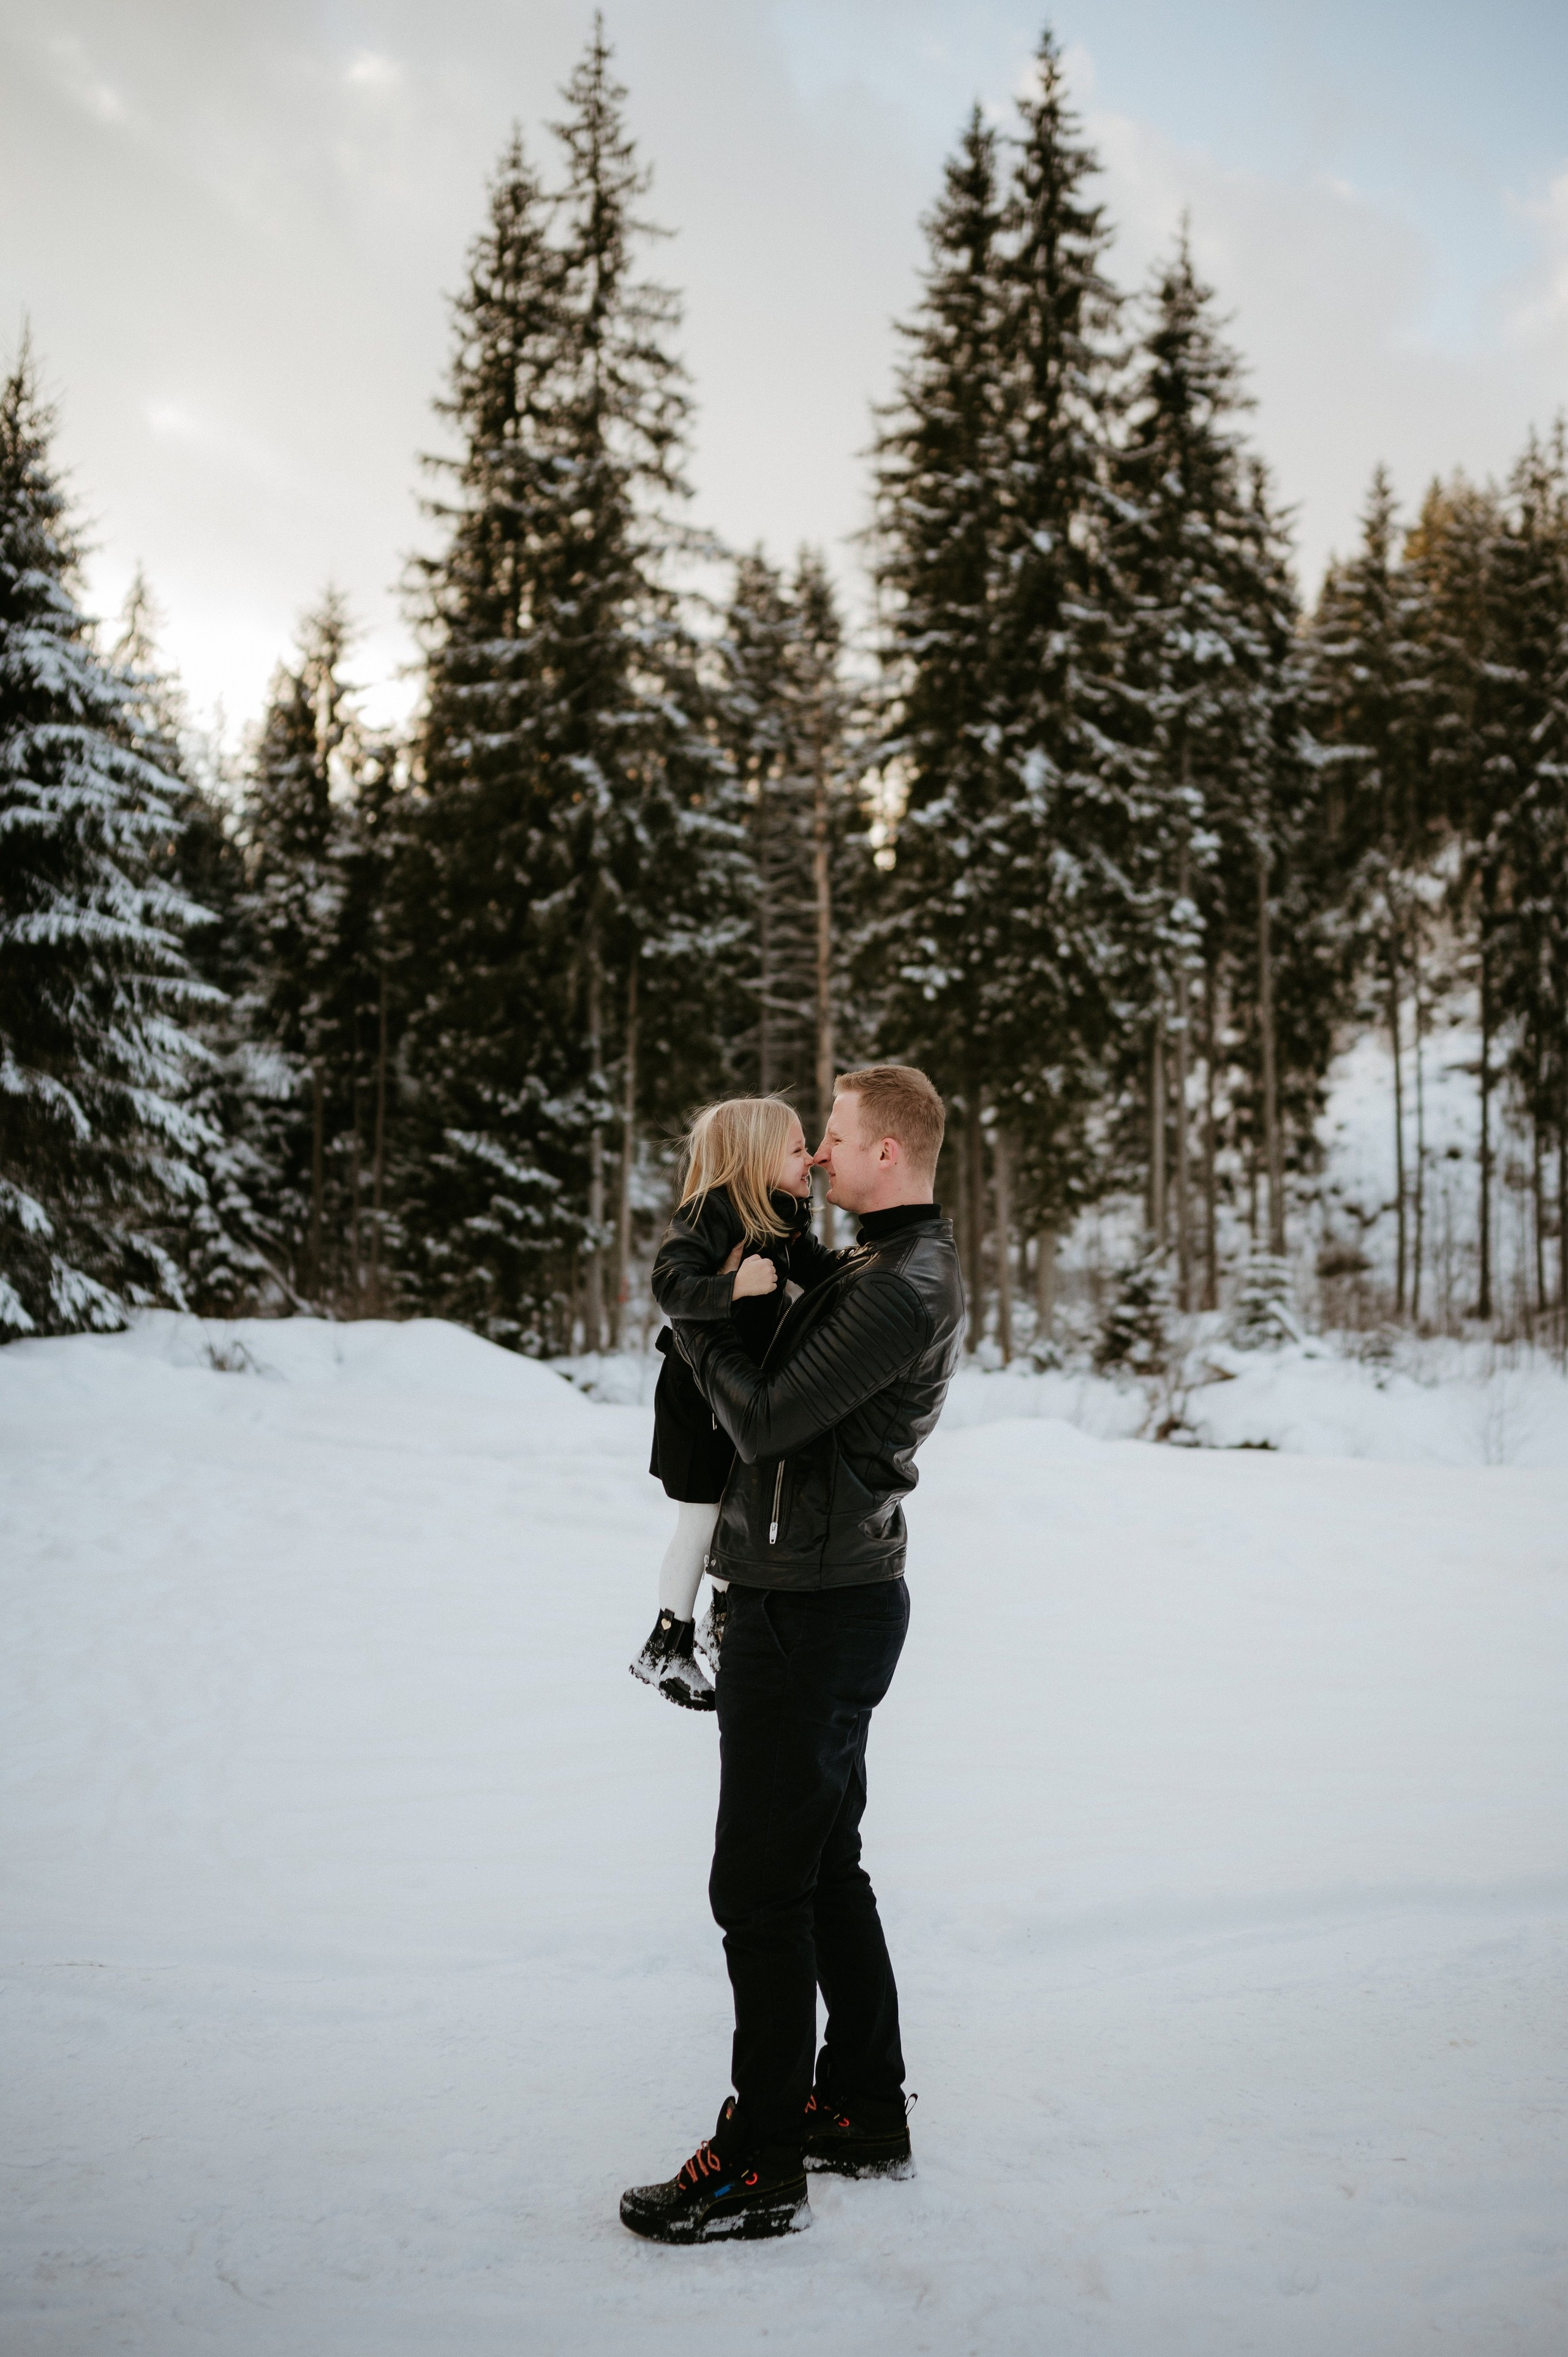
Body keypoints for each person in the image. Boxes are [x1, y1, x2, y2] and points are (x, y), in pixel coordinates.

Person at [619, 1065, 965, 2244]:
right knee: (821, 1867)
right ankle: (861, 2103)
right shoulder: (881, 1264)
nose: (815, 1156)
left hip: (805, 1613)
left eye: (831, 1138)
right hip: (824, 1596)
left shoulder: (897, 1287)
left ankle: (761, 2159)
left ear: (884, 1155)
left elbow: (762, 1419)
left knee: (759, 1888)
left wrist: (694, 1317)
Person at [631, 1096, 842, 1711]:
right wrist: (735, 1285)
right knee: (700, 1524)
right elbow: (669, 1283)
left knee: (736, 1513)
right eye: (798, 1149)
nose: (811, 1159)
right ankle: (667, 1641)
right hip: (695, 1398)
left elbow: (822, 1270)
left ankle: (726, 1624)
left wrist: (871, 1267)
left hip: (738, 1397)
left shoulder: (781, 1215)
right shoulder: (711, 1210)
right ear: (754, 1158)